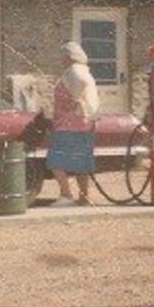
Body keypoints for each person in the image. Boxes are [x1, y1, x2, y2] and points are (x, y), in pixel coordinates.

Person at [46, 41, 100, 207]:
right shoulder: (83, 70)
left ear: (69, 56)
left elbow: (81, 85)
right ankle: (84, 197)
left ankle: (66, 194)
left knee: (55, 161)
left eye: (63, 56)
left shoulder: (74, 71)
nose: (61, 60)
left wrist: (75, 101)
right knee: (81, 163)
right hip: (84, 124)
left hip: (68, 124)